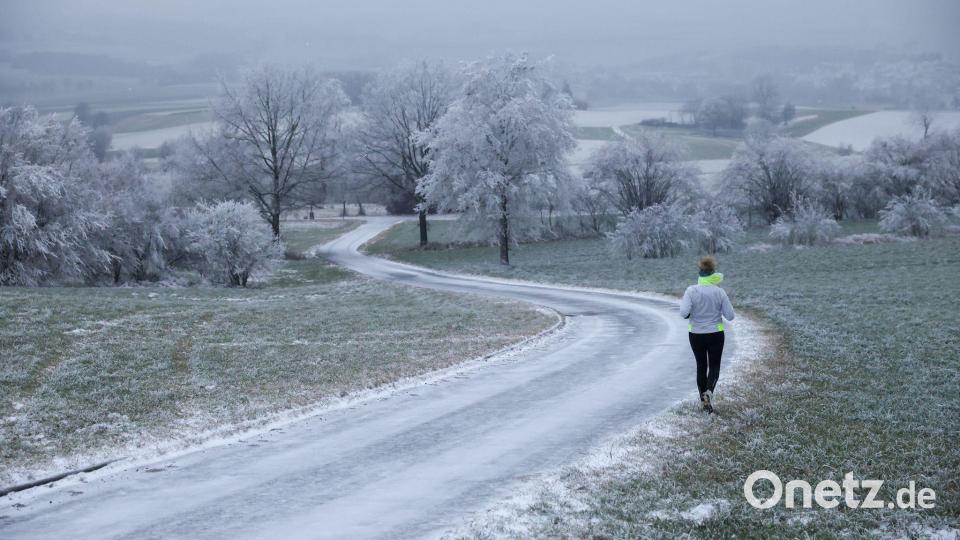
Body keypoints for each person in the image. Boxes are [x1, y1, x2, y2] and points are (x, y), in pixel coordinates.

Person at [679, 255, 735, 413]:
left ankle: (704, 404)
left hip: (696, 334)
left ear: (700, 272)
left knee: (701, 366)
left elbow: (683, 313)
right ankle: (709, 392)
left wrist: (694, 313)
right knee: (715, 365)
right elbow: (730, 316)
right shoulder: (720, 292)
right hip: (716, 334)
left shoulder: (691, 290)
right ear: (713, 273)